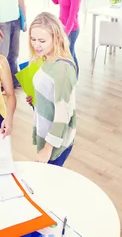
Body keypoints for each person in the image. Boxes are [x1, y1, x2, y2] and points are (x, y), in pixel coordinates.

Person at [26, 12, 77, 167]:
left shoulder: (63, 69)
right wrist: (37, 98)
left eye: (42, 40)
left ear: (57, 38)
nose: (36, 45)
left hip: (56, 140)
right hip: (46, 132)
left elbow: (63, 115)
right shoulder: (44, 59)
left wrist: (48, 149)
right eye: (33, 39)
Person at [43, 0, 83, 77]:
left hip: (71, 30)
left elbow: (73, 15)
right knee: (68, 54)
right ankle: (69, 79)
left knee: (68, 55)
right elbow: (57, 0)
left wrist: (65, 33)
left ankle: (72, 79)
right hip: (62, 27)